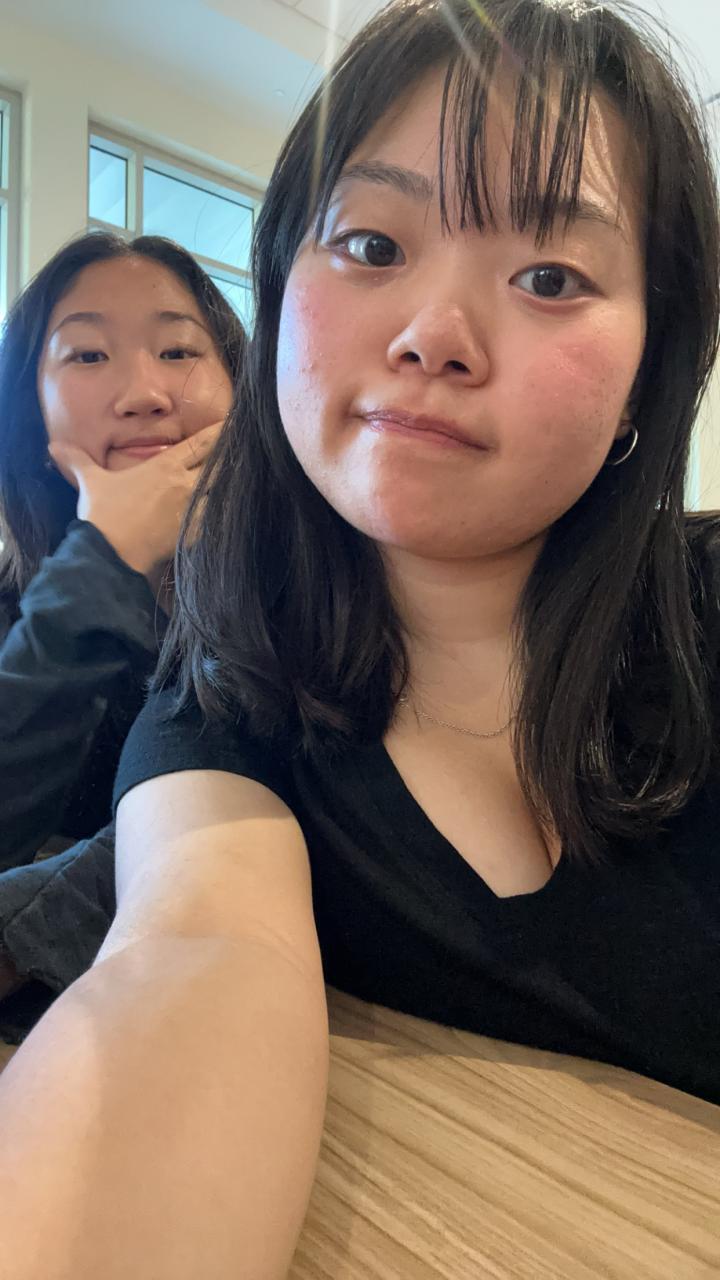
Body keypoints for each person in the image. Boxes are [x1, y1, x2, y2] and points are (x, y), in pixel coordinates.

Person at [2, 0, 720, 1274]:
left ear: (649, 372)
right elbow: (189, 952)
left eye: (550, 277)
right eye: (372, 243)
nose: (431, 332)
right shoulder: (236, 685)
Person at [0, 231, 242, 1032]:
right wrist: (104, 557)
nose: (143, 393)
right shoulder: (17, 599)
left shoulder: (314, 594)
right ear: (31, 409)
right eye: (88, 356)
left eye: (178, 352)